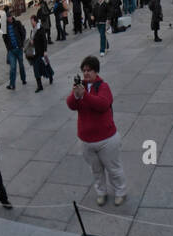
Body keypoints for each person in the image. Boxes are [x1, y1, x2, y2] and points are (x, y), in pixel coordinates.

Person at [68, 56, 127, 206]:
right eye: (84, 70)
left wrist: (84, 96)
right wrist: (75, 95)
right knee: (96, 171)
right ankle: (101, 192)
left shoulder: (103, 86)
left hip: (106, 139)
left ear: (96, 71)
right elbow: (71, 104)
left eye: (89, 70)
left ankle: (120, 191)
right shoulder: (80, 87)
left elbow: (102, 104)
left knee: (113, 169)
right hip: (87, 140)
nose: (86, 73)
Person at [3, 7, 26, 91]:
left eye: (10, 17)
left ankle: (23, 79)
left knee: (21, 65)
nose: (9, 18)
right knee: (12, 68)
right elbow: (4, 38)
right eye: (7, 17)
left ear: (12, 17)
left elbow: (23, 33)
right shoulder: (4, 27)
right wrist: (8, 48)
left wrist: (22, 43)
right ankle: (12, 84)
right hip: (11, 50)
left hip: (19, 48)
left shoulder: (17, 23)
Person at [30, 16, 54, 90]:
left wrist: (45, 51)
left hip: (42, 52)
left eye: (32, 21)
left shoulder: (41, 28)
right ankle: (39, 86)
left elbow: (44, 40)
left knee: (46, 66)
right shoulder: (32, 30)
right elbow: (32, 39)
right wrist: (31, 42)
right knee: (36, 69)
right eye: (31, 21)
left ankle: (50, 76)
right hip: (35, 54)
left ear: (35, 21)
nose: (31, 22)